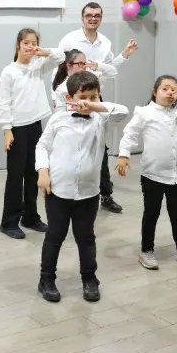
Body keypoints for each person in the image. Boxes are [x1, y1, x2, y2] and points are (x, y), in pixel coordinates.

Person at [35, 71, 128, 303]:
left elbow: (123, 111)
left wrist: (94, 106)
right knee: (55, 236)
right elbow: (42, 146)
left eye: (93, 96)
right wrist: (43, 171)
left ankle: (89, 279)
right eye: (82, 97)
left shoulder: (101, 119)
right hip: (58, 190)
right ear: (70, 98)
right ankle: (46, 279)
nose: (87, 102)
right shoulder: (58, 119)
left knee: (85, 237)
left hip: (88, 192)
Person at [116, 76, 177, 271]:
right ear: (154, 91)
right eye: (165, 88)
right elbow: (130, 133)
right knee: (151, 213)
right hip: (153, 174)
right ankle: (146, 250)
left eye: (174, 89)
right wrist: (124, 154)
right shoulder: (145, 112)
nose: (170, 92)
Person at [57, 1, 139, 214]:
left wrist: (123, 55)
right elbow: (58, 68)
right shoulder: (70, 40)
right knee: (69, 144)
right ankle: (63, 188)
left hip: (94, 97)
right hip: (71, 97)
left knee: (99, 144)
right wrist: (57, 98)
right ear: (82, 17)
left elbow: (110, 69)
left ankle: (105, 193)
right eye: (89, 15)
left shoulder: (105, 42)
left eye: (97, 15)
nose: (93, 18)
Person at [0, 28, 65, 239]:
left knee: (34, 173)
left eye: (34, 42)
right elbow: (4, 104)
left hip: (35, 125)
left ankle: (30, 217)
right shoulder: (9, 72)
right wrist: (7, 130)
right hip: (17, 128)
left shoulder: (37, 65)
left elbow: (61, 56)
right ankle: (9, 222)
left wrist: (43, 52)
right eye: (26, 42)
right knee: (16, 176)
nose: (30, 46)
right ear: (18, 44)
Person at [50, 49, 116, 112]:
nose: (84, 67)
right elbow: (60, 113)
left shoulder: (92, 78)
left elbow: (113, 72)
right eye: (80, 63)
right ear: (69, 65)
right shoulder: (62, 89)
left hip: (96, 117)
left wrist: (98, 66)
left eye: (85, 63)